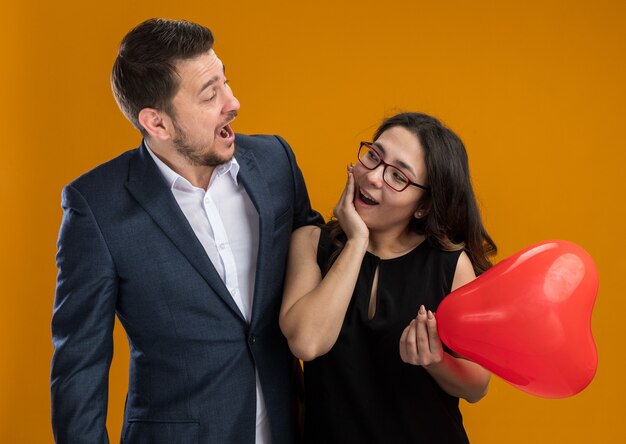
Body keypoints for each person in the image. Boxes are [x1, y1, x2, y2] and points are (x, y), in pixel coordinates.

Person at [51, 18, 321, 444]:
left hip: (288, 427)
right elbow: (78, 368)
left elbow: (311, 248)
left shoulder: (275, 163)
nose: (233, 102)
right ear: (157, 124)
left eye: (225, 82)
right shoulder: (95, 207)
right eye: (210, 94)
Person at [279, 112, 497, 443]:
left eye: (398, 176)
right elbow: (306, 343)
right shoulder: (310, 243)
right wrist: (356, 241)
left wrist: (436, 361)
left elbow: (477, 386)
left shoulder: (451, 266)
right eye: (373, 156)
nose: (374, 177)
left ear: (422, 206)